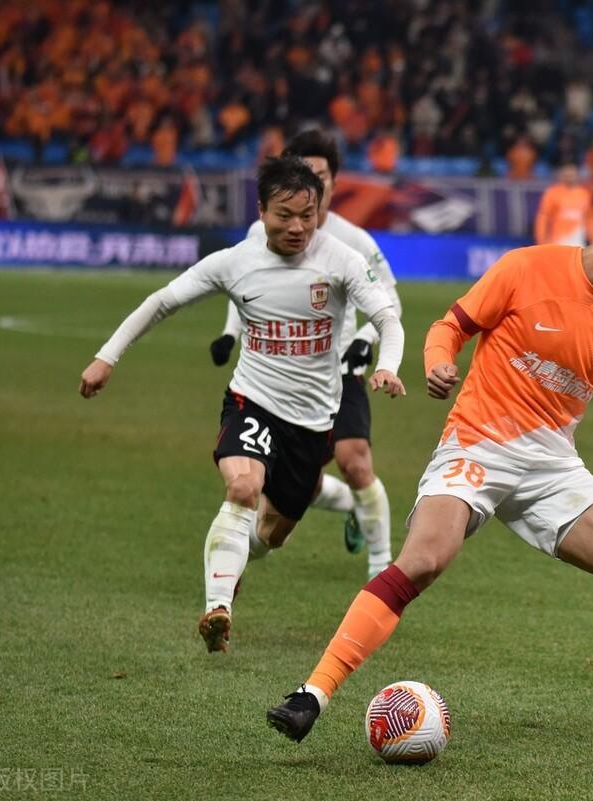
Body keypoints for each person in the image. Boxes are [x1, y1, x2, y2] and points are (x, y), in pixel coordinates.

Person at [265, 165, 593, 771]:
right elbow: (450, 326)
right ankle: (311, 695)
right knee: (424, 560)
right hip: (476, 445)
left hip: (552, 464)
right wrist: (437, 360)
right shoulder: (526, 268)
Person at [79, 156, 407, 653]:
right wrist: (107, 357)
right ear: (261, 211)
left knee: (271, 535)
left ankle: (232, 562)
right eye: (284, 215)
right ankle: (218, 607)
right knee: (242, 486)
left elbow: (387, 316)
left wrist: (389, 364)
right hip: (252, 400)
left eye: (307, 215)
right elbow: (163, 301)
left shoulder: (340, 258)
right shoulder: (236, 261)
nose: (297, 227)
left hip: (314, 422)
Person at [210, 129, 402, 579]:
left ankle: (381, 571)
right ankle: (350, 507)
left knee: (356, 460)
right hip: (280, 378)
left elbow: (389, 302)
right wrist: (229, 333)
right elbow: (245, 289)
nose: (314, 181)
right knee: (305, 485)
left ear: (333, 182)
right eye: (304, 171)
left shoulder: (354, 241)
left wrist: (366, 342)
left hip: (341, 370)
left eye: (322, 174)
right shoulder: (263, 233)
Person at [533, 163, 593, 246]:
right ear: (561, 175)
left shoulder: (584, 194)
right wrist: (541, 240)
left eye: (572, 174)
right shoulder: (552, 193)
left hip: (578, 240)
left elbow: (589, 219)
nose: (569, 176)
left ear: (577, 174)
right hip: (558, 240)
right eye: (566, 174)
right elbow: (543, 217)